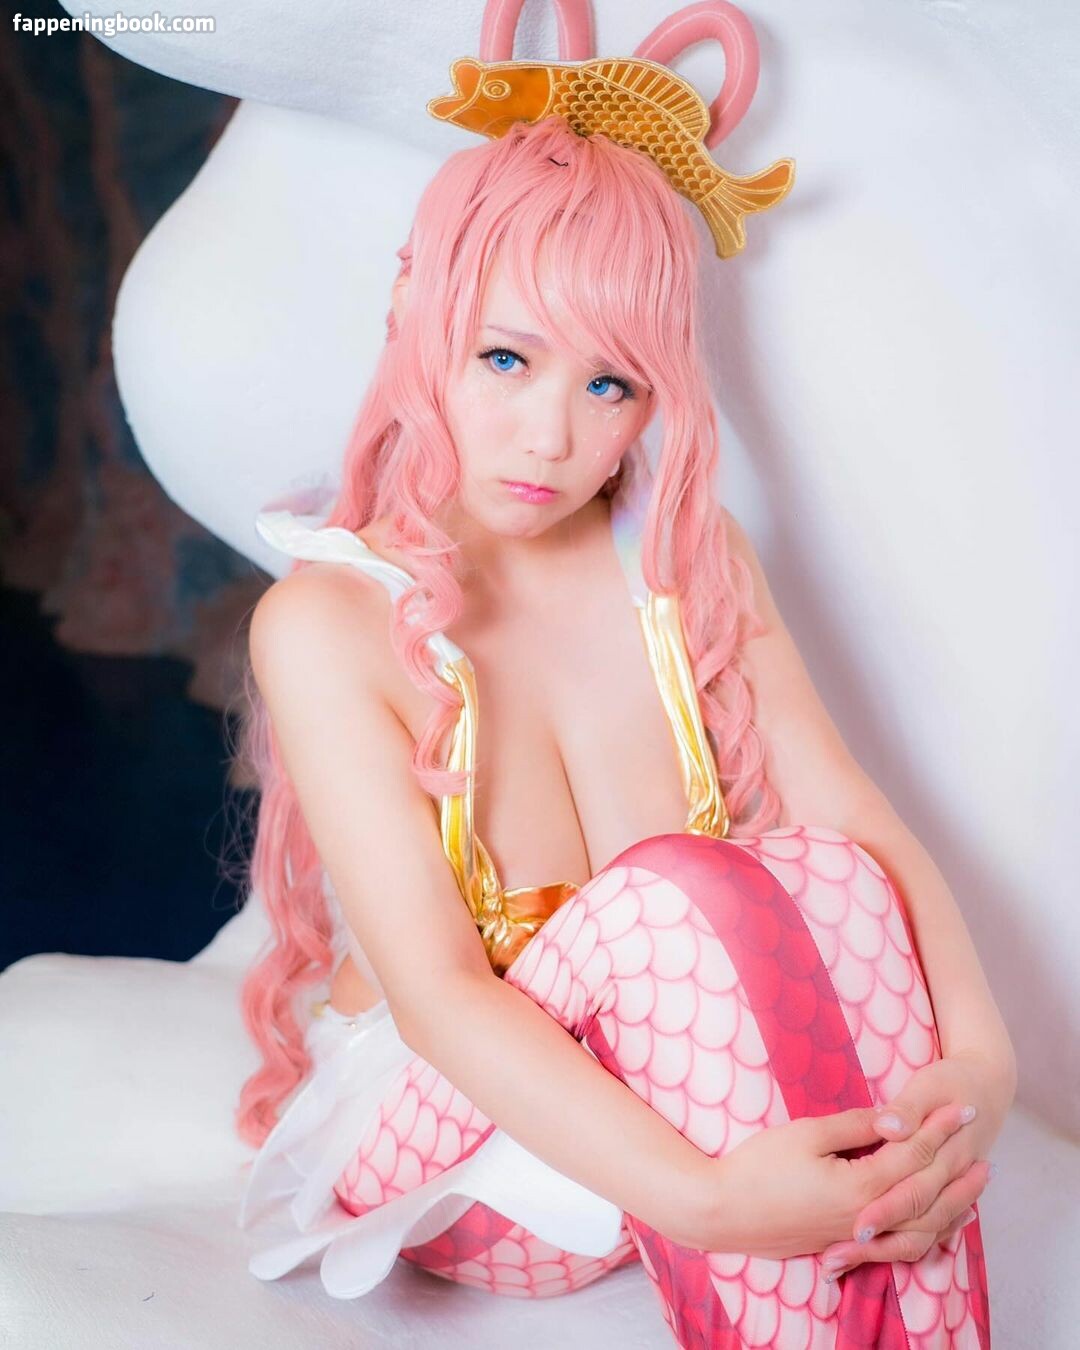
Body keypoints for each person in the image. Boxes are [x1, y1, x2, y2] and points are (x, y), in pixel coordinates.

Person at [232, 103, 1013, 1346]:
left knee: (827, 872)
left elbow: (856, 820)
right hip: (461, 1144)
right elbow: (439, 998)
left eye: (610, 385)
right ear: (412, 313)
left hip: (682, 1095)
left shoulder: (688, 560)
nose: (551, 437)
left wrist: (978, 1068)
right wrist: (711, 1202)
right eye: (506, 359)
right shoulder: (325, 622)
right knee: (666, 898)